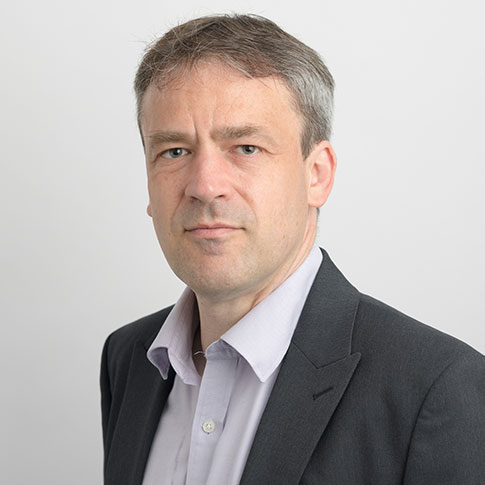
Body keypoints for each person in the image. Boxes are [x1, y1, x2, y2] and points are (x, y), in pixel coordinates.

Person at [100, 14, 485, 485]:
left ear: (317, 175)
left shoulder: (435, 387)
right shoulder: (128, 360)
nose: (204, 185)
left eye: (246, 147)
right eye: (174, 151)